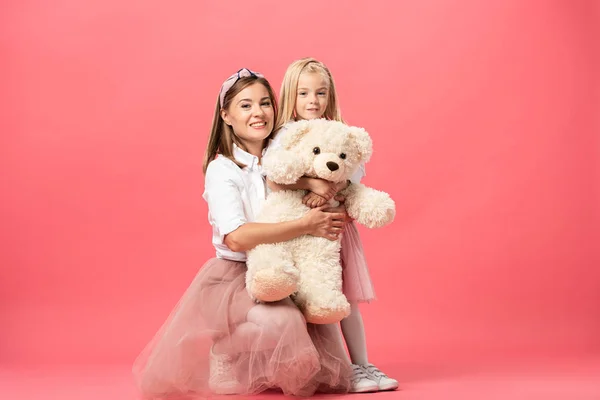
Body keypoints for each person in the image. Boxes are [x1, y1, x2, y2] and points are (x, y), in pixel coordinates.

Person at [132, 68, 352, 398]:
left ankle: (258, 360)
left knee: (309, 322)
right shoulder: (223, 169)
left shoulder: (286, 160)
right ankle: (224, 351)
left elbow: (328, 185)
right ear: (226, 115)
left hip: (285, 265)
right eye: (246, 105)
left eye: (265, 103)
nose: (258, 113)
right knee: (285, 325)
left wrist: (332, 206)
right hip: (233, 277)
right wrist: (305, 225)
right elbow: (235, 237)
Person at [267, 58, 399, 392]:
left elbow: (354, 173)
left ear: (330, 95)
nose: (313, 100)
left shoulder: (340, 132)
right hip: (301, 230)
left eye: (320, 93)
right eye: (304, 93)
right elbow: (275, 177)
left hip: (336, 228)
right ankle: (342, 369)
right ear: (290, 96)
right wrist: (311, 185)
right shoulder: (286, 135)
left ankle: (362, 364)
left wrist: (336, 189)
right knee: (315, 298)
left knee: (347, 299)